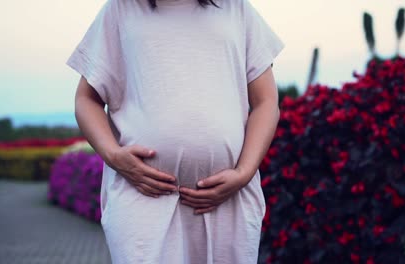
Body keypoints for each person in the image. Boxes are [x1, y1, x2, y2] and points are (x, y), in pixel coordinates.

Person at [66, 0, 284, 263]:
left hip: (229, 201)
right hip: (143, 199)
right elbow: (86, 100)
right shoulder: (121, 8)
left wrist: (244, 172)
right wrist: (113, 155)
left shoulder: (236, 8)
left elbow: (266, 102)